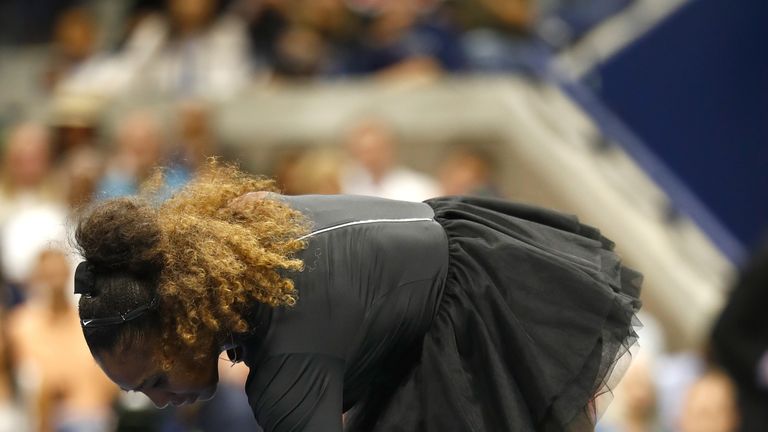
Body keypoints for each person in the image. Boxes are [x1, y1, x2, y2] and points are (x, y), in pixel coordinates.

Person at [72, 162, 641, 431]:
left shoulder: (289, 366)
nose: (156, 399)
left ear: (185, 327)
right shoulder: (249, 230)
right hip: (476, 259)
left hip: (481, 319)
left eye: (153, 379)